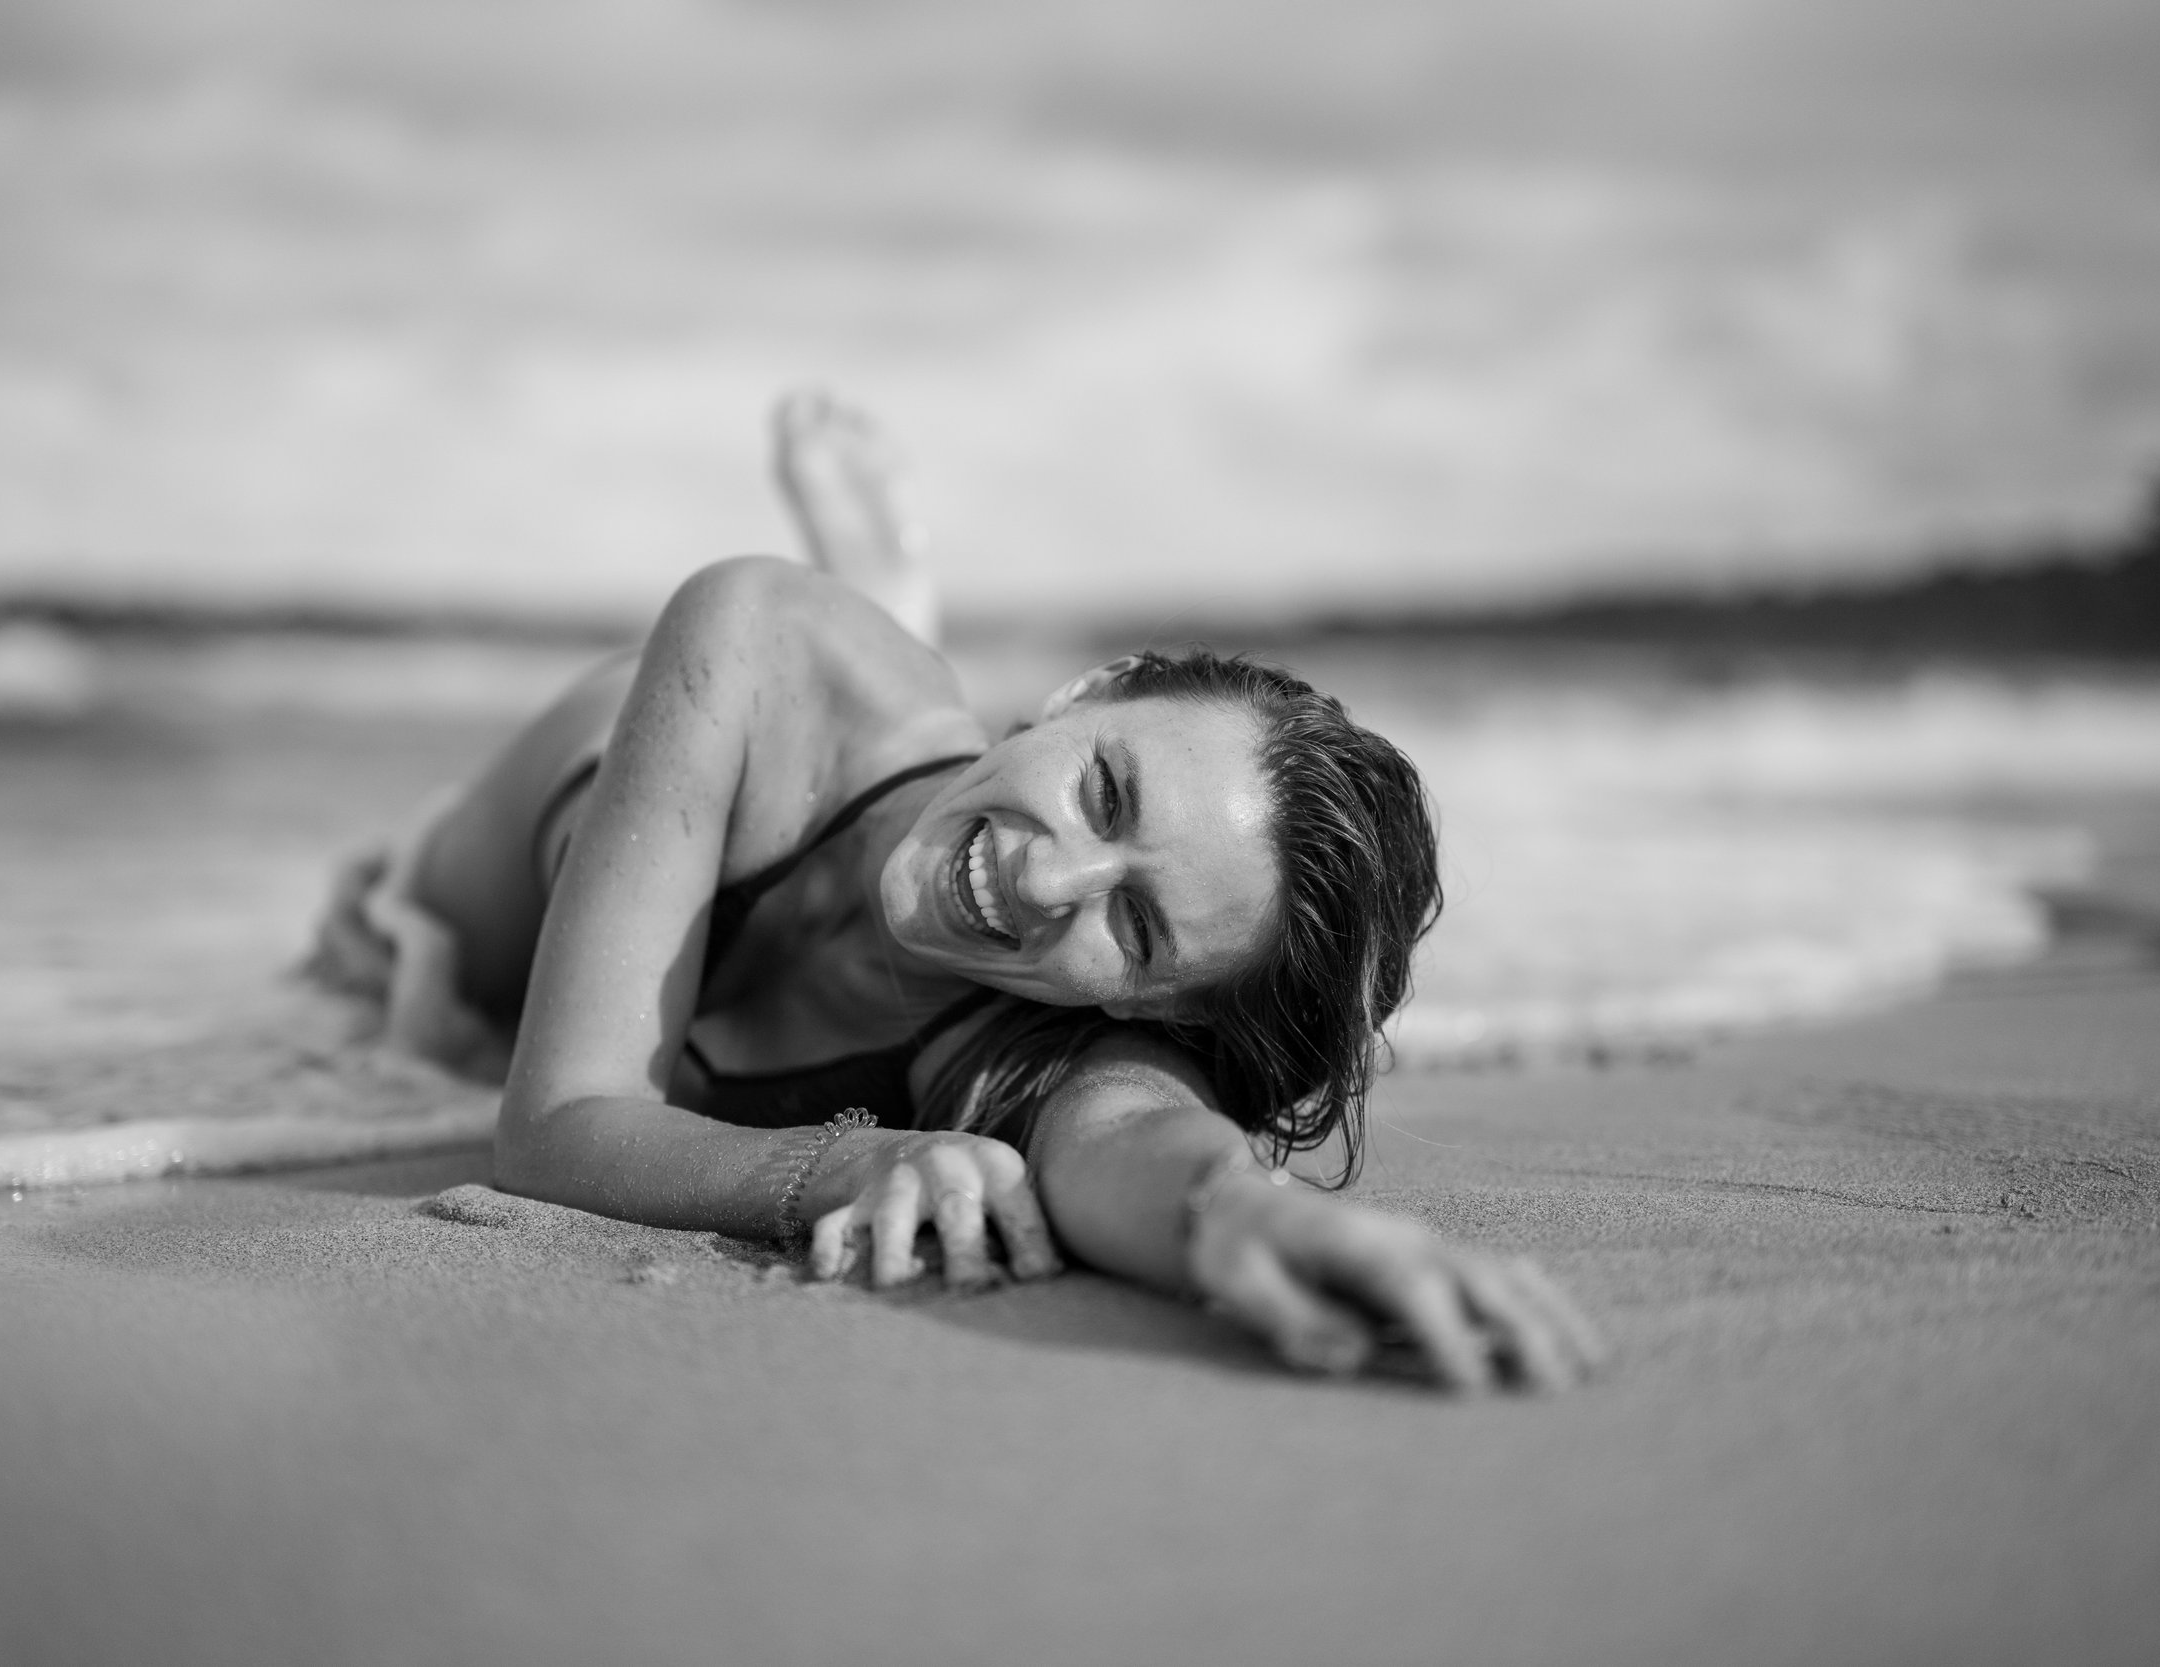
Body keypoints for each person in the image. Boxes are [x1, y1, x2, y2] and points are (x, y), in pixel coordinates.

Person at [309, 392, 1603, 1391]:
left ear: (1157, 1008)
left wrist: (1237, 1219)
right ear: (1090, 693)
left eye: (1135, 925)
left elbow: (1135, 1140)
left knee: (961, 825)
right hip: (453, 883)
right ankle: (882, 618)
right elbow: (554, 1128)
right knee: (356, 967)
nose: (1052, 879)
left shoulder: (1051, 1041)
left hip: (889, 785)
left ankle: (922, 660)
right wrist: (847, 1165)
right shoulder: (748, 629)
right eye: (1106, 790)